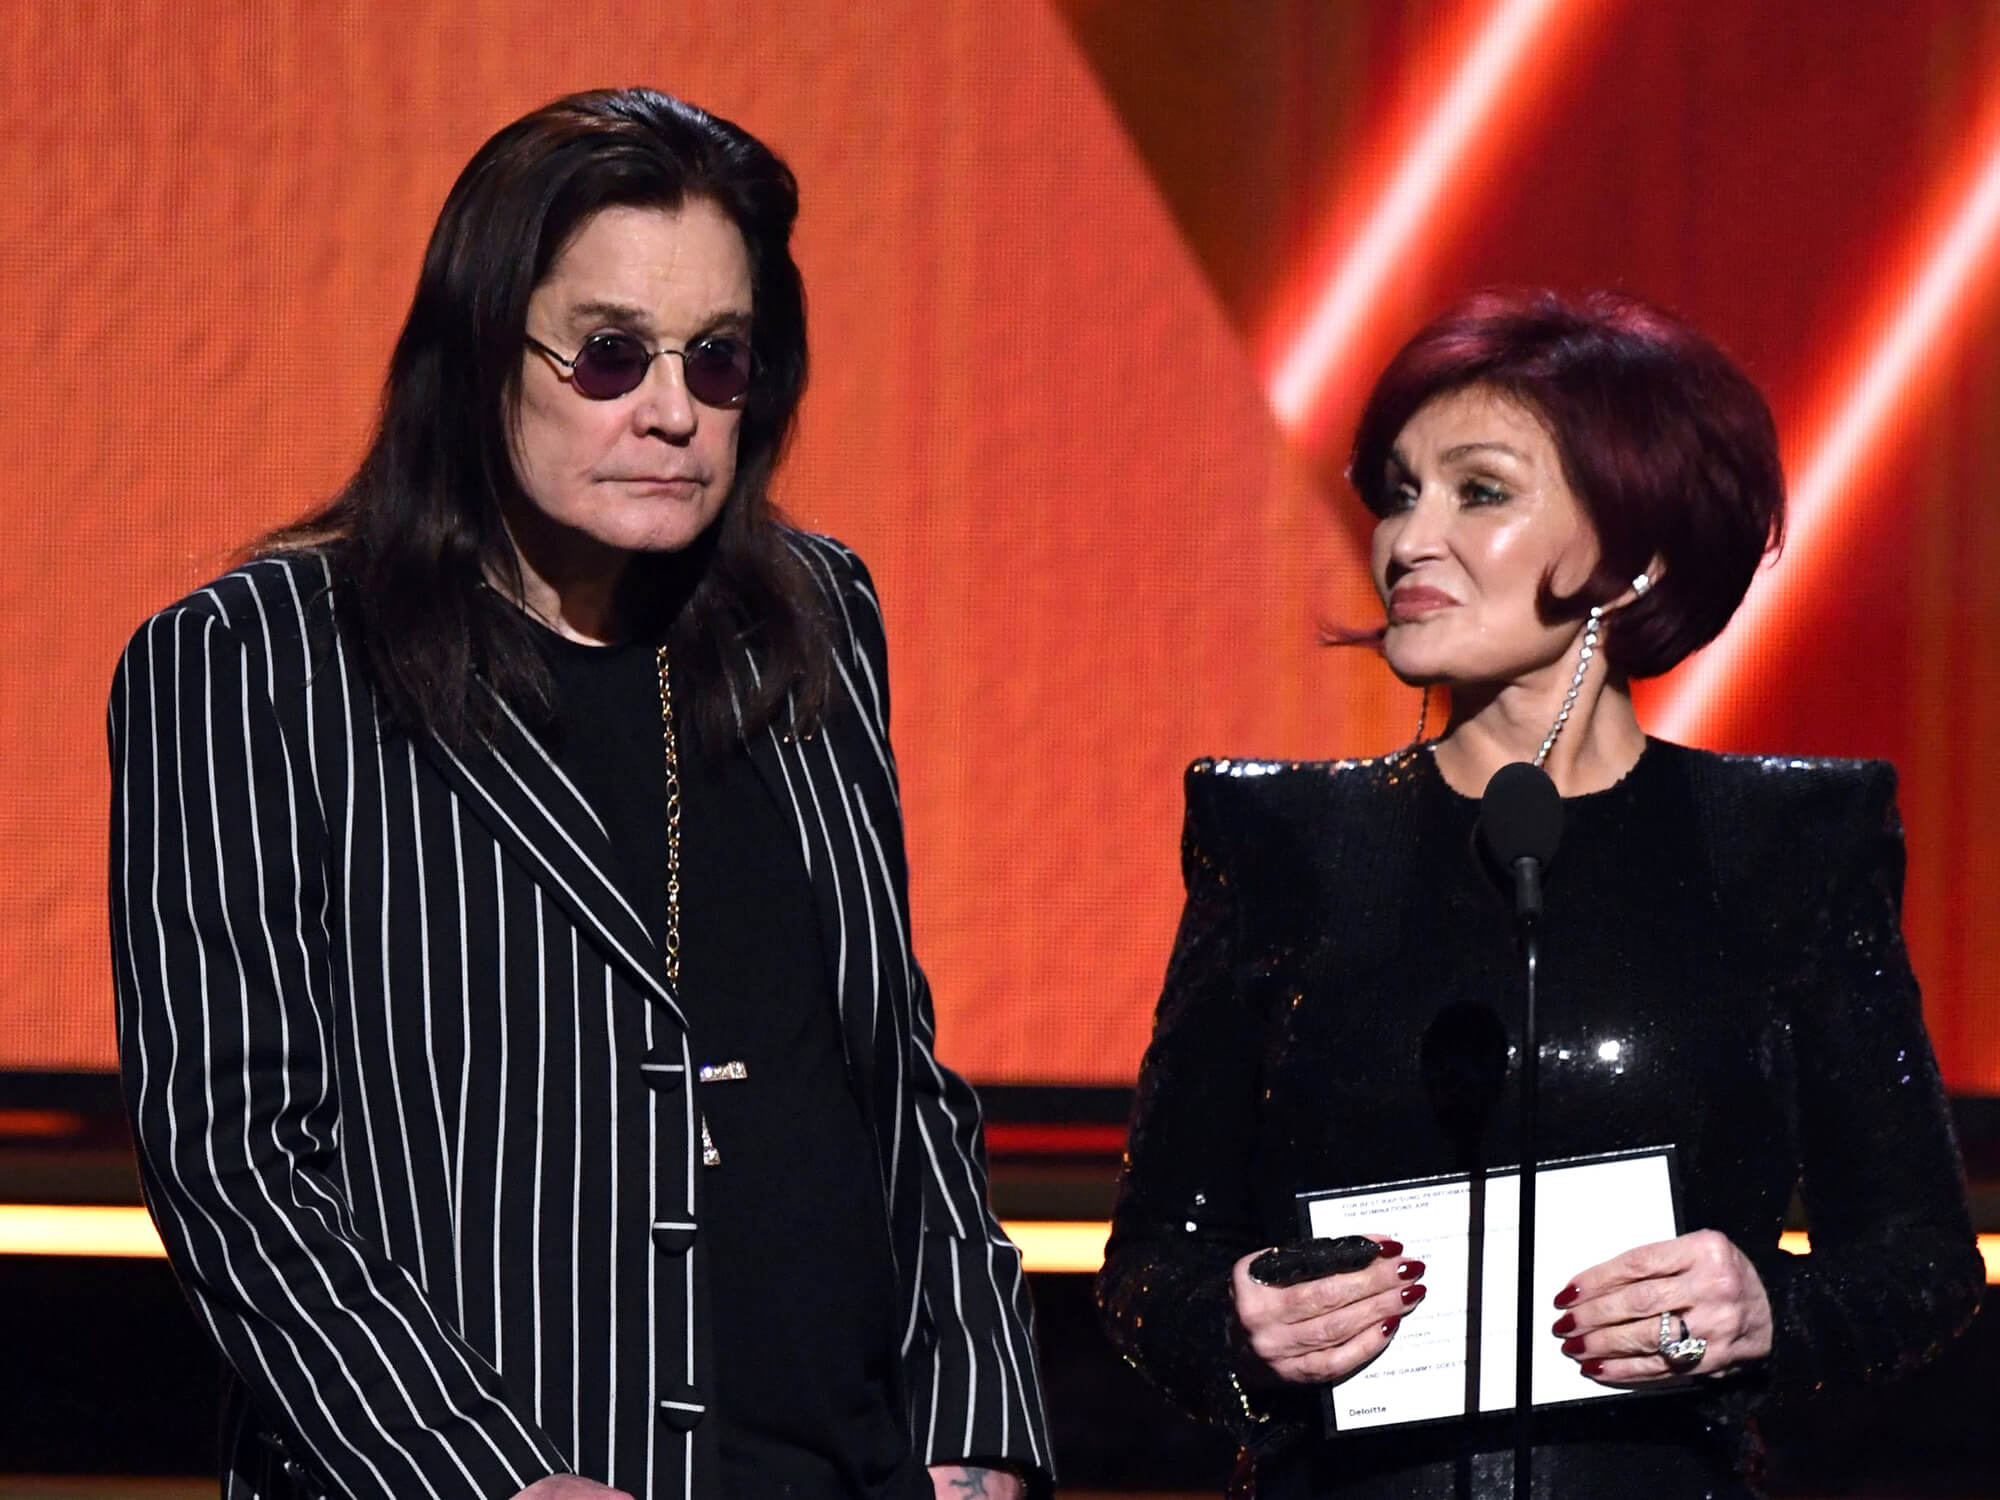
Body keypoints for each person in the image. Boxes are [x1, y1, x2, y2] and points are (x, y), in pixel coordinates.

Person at [109, 87, 1049, 1500]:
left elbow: (887, 1064)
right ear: (484, 354)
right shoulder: (259, 662)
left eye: (717, 361)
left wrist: (977, 1428)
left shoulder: (810, 616)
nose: (671, 413)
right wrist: (482, 1478)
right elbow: (235, 1166)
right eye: (610, 356)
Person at [1096, 288, 1983, 1498]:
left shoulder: (1782, 844)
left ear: (1634, 553)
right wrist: (1237, 1332)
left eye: (1479, 490)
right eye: (1397, 492)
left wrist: (1763, 1308)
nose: (1407, 540)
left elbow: (1918, 1261)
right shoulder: (1281, 840)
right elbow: (1155, 1259)